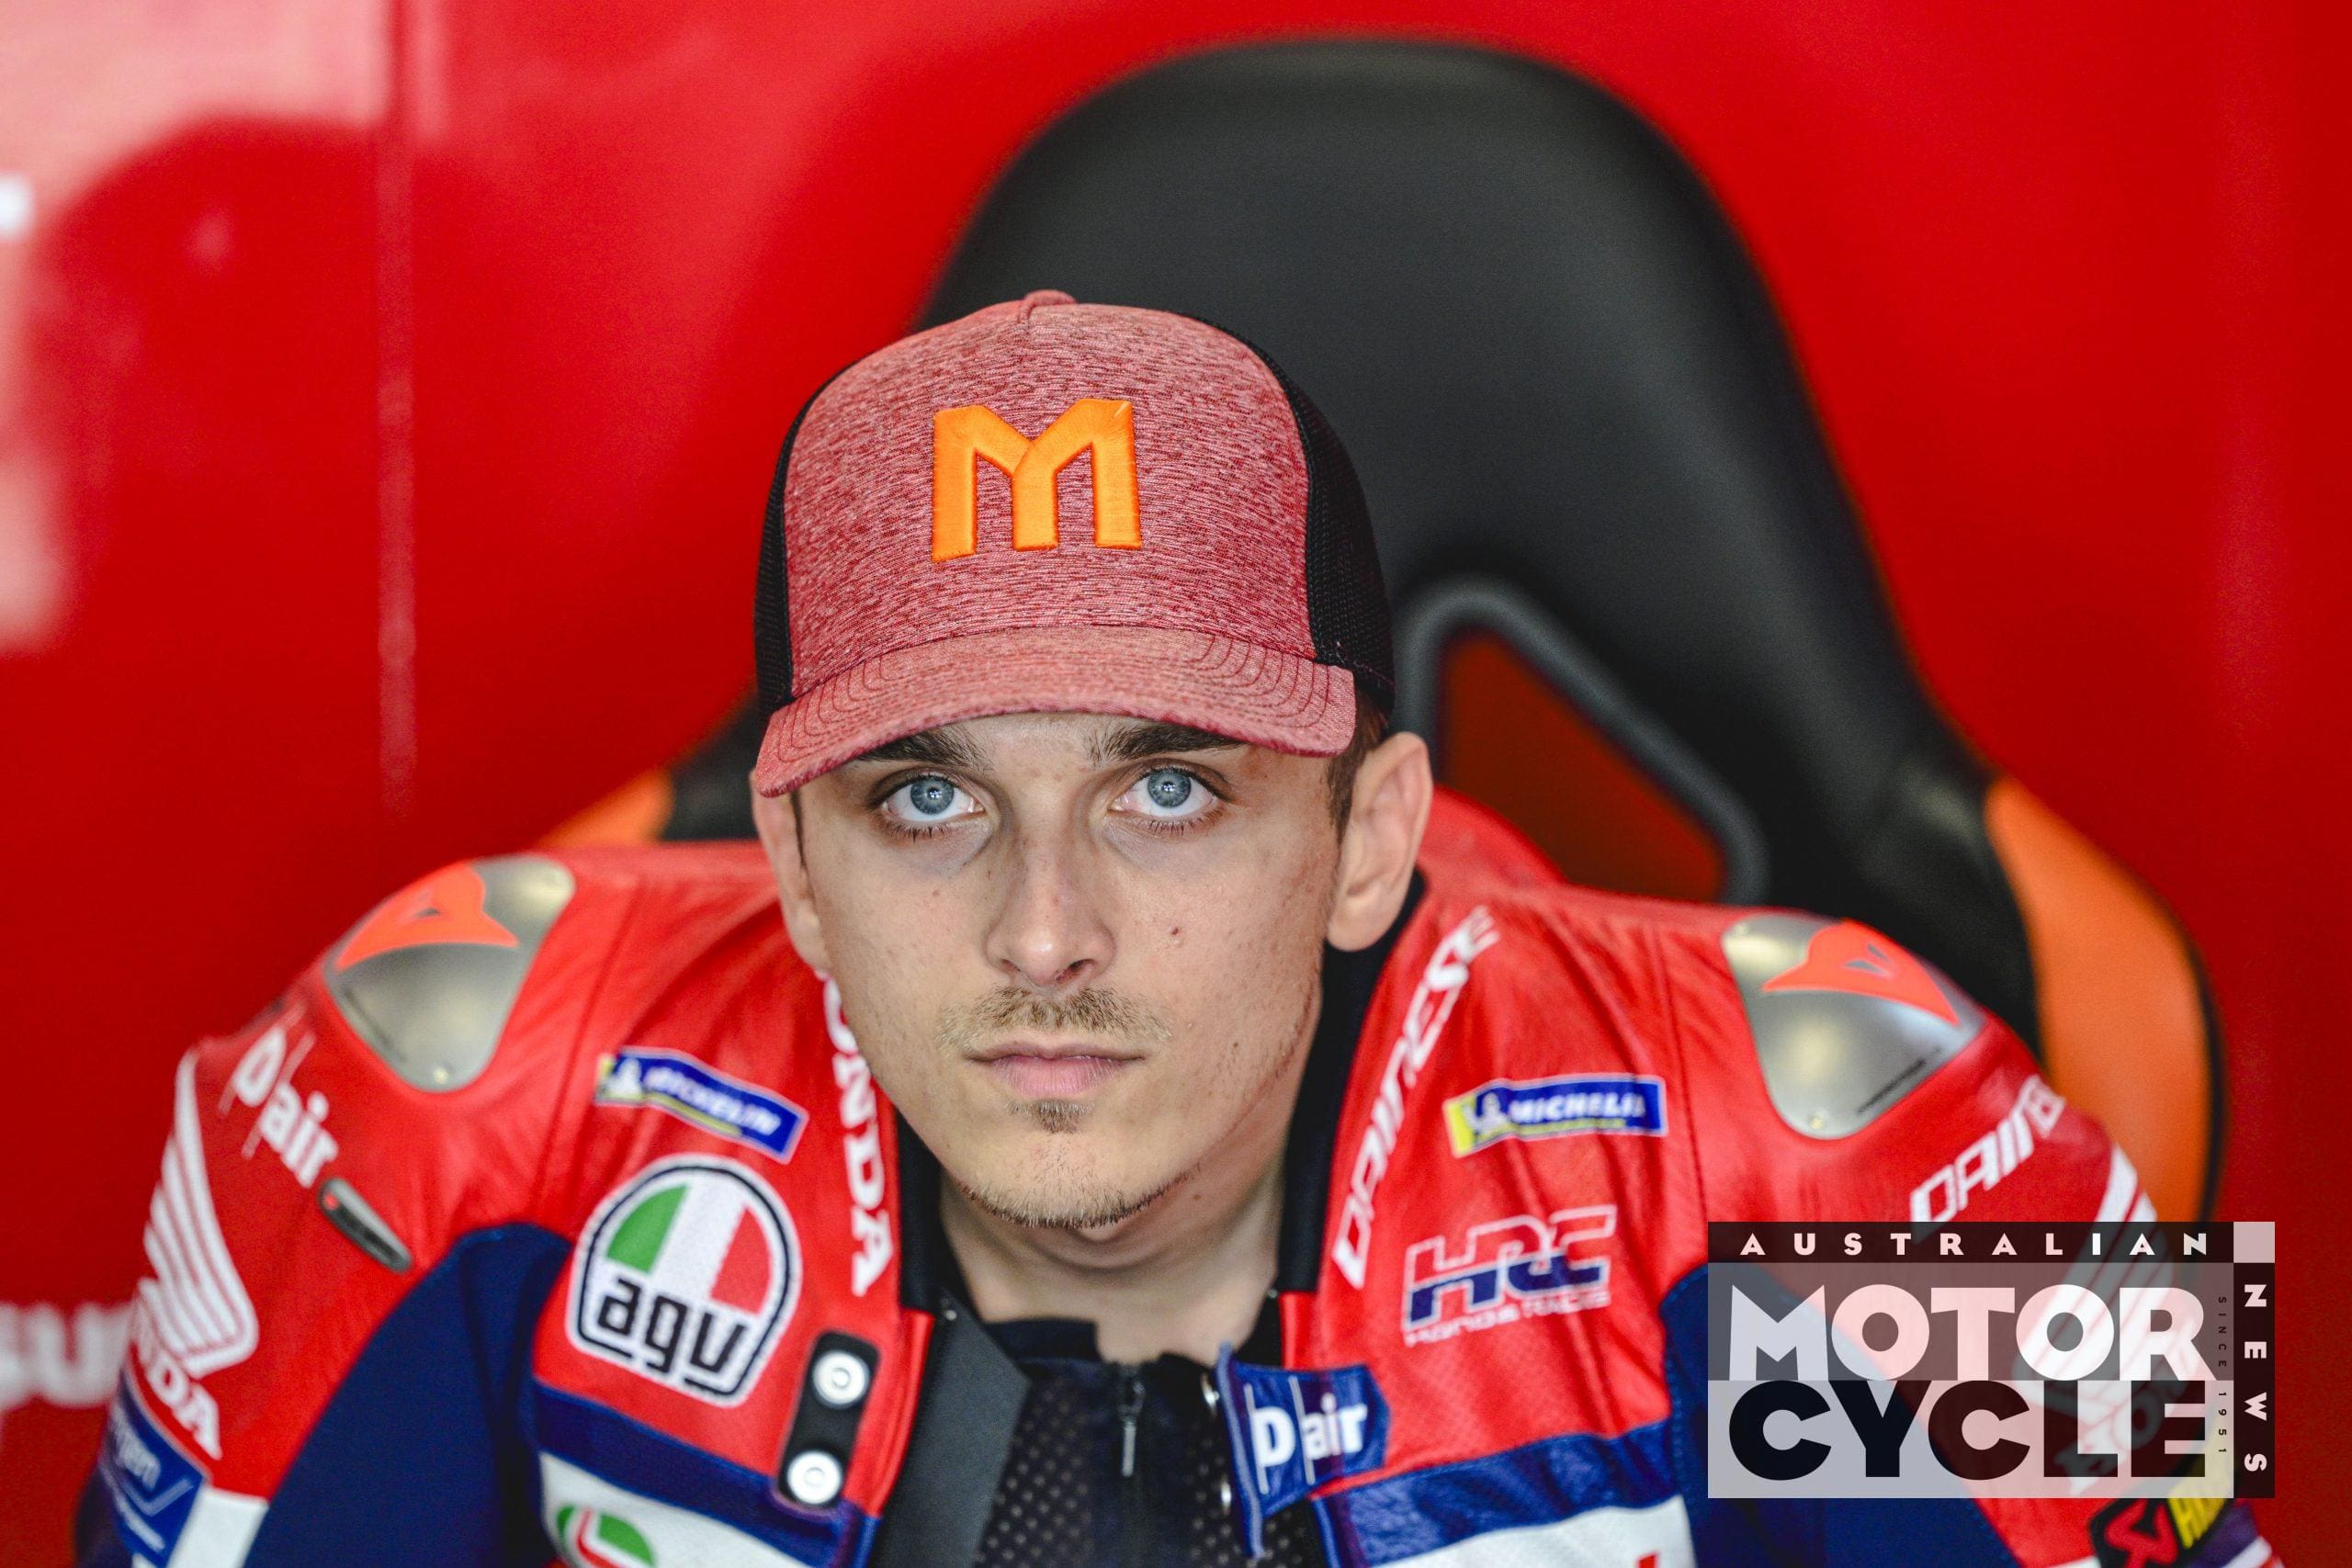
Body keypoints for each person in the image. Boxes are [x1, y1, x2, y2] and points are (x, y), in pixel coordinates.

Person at [79, 293, 2274, 1567]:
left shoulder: (1858, 1133)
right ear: (794, 863)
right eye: (925, 796)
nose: (1046, 931)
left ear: (1368, 834)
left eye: (1169, 786)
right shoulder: (430, 1092)